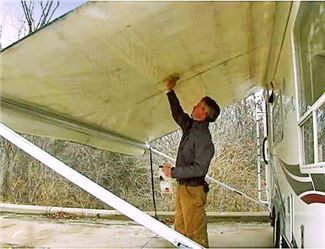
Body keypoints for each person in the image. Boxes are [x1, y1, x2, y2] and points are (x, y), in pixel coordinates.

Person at [163, 75, 220, 248]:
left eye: (200, 106)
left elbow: (199, 169)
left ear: (204, 114)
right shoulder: (191, 126)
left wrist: (173, 172)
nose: (195, 106)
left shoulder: (204, 139)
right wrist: (169, 91)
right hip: (183, 188)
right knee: (181, 231)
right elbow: (178, 114)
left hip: (193, 190)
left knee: (195, 235)